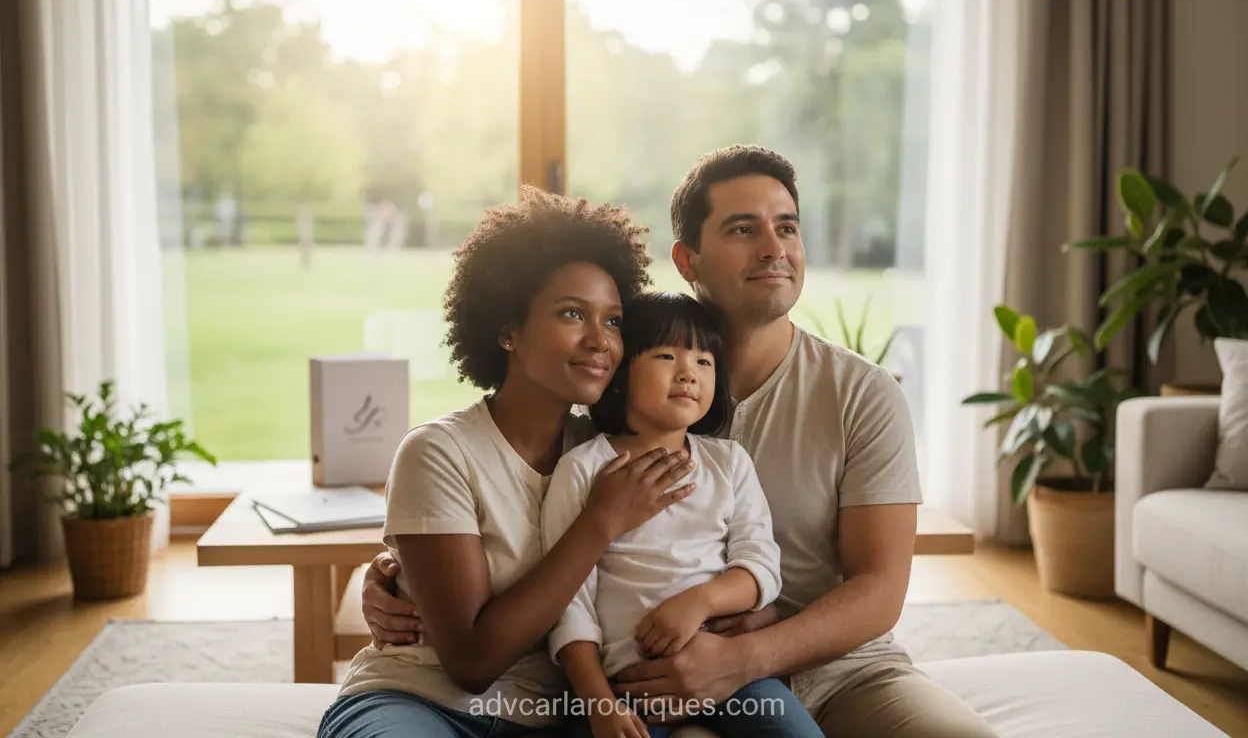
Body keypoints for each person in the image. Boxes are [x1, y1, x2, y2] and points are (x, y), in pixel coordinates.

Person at [361, 145, 999, 738]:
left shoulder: (859, 394)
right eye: (744, 228)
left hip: (824, 668)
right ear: (687, 260)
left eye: (788, 226)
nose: (774, 247)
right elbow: (509, 561)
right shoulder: (607, 435)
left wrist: (742, 656)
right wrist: (402, 574)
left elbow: (880, 590)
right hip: (641, 680)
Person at [319, 188, 699, 738]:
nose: (601, 341)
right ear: (507, 330)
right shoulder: (438, 452)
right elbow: (471, 663)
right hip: (420, 701)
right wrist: (599, 521)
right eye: (572, 313)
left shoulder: (614, 452)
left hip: (553, 716)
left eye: (614, 321)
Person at [543, 292, 822, 738]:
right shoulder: (582, 468)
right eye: (667, 355)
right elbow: (567, 605)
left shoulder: (729, 463)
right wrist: (599, 703)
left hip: (730, 678)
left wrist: (699, 602)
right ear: (619, 373)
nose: (688, 372)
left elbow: (761, 565)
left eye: (705, 361)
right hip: (626, 687)